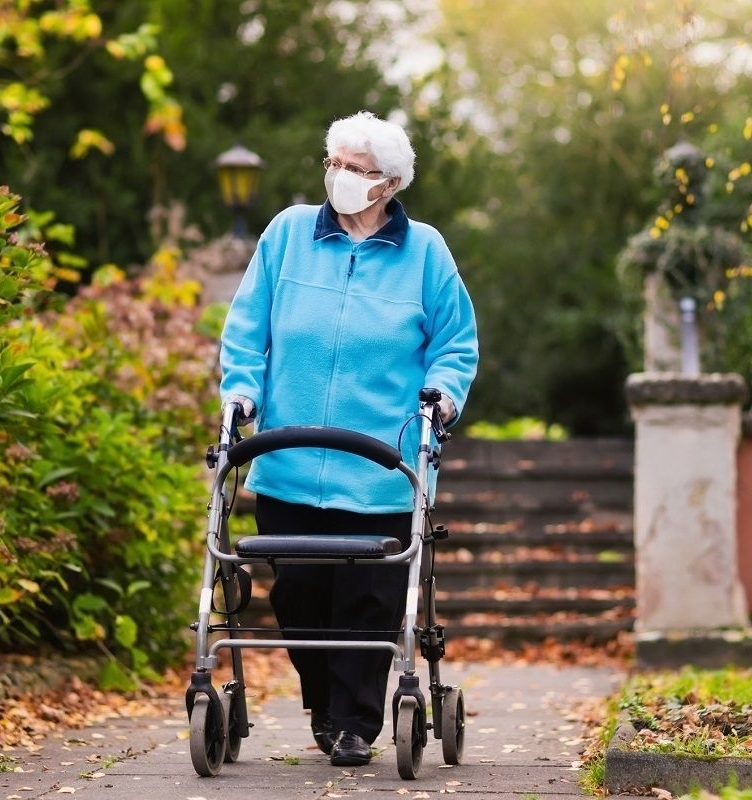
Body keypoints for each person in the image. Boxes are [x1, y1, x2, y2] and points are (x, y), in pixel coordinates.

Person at [218, 111, 478, 767]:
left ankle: (354, 724)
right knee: (299, 593)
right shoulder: (286, 236)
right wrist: (240, 388)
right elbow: (247, 327)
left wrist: (442, 396)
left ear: (388, 183)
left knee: (369, 601)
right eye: (331, 162)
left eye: (353, 167)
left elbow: (454, 344)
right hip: (289, 458)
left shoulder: (426, 253)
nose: (337, 175)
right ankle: (325, 709)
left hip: (382, 467)